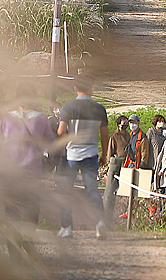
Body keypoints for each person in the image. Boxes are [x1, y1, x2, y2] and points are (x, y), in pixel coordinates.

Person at [0, 83, 55, 257]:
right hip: (32, 173)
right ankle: (28, 240)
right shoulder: (42, 118)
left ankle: (13, 248)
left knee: (11, 211)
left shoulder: (5, 119)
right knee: (31, 209)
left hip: (10, 173)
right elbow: (51, 144)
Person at [56, 77, 109, 239]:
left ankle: (66, 227)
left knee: (66, 190)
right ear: (91, 88)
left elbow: (60, 132)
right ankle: (100, 223)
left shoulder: (69, 107)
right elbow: (105, 135)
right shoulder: (99, 108)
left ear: (75, 88)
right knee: (92, 190)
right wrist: (104, 155)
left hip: (72, 154)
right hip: (91, 154)